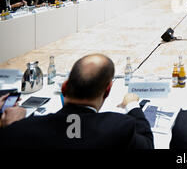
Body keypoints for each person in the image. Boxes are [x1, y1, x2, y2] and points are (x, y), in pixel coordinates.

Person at [0, 54, 154, 149]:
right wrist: (132, 105)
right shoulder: (120, 127)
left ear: (64, 87)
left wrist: (12, 127)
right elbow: (147, 145)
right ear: (107, 91)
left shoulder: (24, 130)